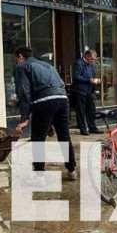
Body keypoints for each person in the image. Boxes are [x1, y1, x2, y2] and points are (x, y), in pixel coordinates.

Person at [13, 46, 76, 181]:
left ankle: (39, 175)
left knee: (38, 139)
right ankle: (72, 170)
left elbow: (24, 93)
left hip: (44, 101)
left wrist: (24, 118)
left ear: (20, 56)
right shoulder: (47, 65)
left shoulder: (22, 67)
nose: (17, 62)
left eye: (16, 59)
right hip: (62, 99)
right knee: (64, 136)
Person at [71, 50, 103, 135]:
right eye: (92, 59)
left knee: (91, 110)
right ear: (87, 56)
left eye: (94, 59)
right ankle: (83, 129)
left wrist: (96, 79)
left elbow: (93, 74)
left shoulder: (90, 64)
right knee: (81, 111)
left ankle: (92, 128)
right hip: (80, 91)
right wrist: (89, 80)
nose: (93, 61)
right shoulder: (78, 63)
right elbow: (76, 76)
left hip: (89, 91)